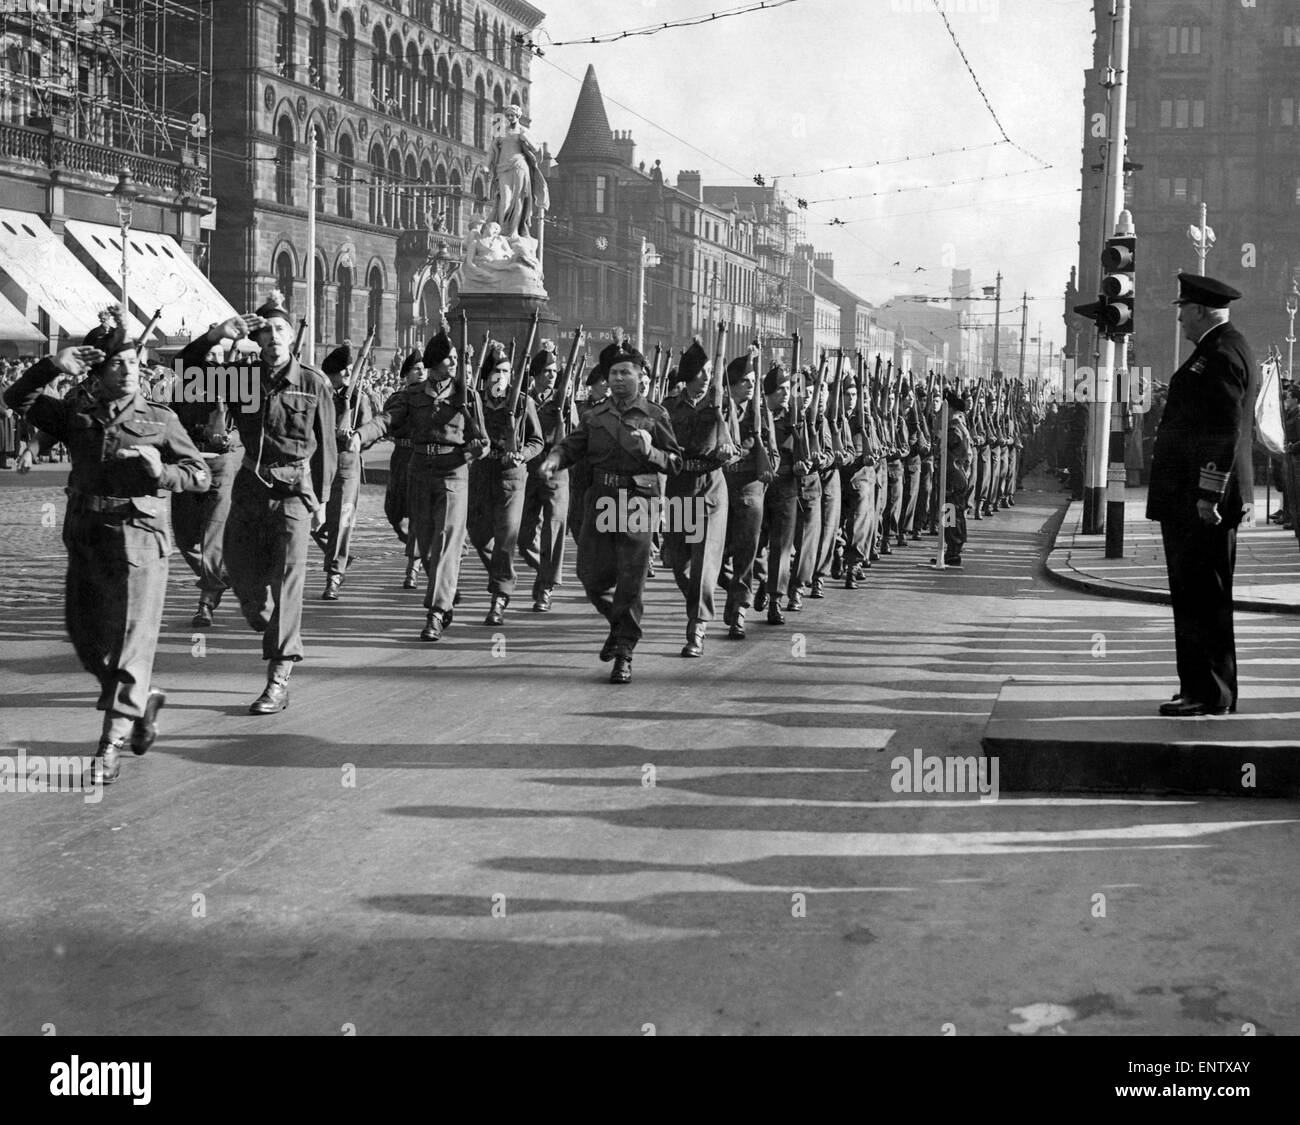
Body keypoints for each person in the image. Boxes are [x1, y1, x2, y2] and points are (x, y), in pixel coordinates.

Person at [3, 320, 209, 783]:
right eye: (118, 363)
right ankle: (143, 700)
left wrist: (162, 473)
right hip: (87, 536)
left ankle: (109, 743)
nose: (130, 370)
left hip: (140, 541)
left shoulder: (160, 419)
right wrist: (51, 366)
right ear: (96, 373)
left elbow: (200, 476)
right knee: (88, 642)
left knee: (130, 647)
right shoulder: (78, 412)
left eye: (134, 362)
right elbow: (18, 400)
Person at [189, 293, 338, 713]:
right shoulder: (244, 380)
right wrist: (216, 336)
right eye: (267, 330)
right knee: (244, 581)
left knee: (289, 580)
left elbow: (326, 446)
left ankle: (278, 677)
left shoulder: (312, 383)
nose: (273, 337)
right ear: (257, 337)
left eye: (280, 330)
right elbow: (187, 377)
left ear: (292, 337)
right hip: (249, 493)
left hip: (293, 494)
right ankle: (264, 616)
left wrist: (323, 502)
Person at [540, 332, 682, 684]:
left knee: (631, 582)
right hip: (602, 500)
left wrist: (650, 451)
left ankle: (624, 652)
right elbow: (571, 446)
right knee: (592, 579)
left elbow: (676, 462)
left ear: (639, 376)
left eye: (625, 372)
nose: (618, 379)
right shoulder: (593, 416)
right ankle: (619, 627)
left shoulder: (654, 415)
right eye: (613, 373)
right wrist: (553, 459)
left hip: (638, 502)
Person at [1148, 273, 1258, 717]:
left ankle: (1211, 693)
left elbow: (1224, 431)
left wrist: (1208, 494)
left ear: (1198, 310)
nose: (1179, 319)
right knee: (1192, 596)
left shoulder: (1222, 354)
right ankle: (1196, 684)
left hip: (1202, 503)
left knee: (1204, 599)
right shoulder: (1216, 350)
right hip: (1191, 499)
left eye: (1182, 310)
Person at [349, 317, 488, 641]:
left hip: (454, 475)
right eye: (448, 358)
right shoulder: (412, 396)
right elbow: (386, 420)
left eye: (456, 358)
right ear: (434, 363)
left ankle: (436, 612)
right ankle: (446, 593)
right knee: (425, 548)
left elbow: (482, 438)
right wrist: (360, 434)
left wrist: (479, 449)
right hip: (420, 473)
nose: (454, 363)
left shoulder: (467, 397)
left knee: (445, 544)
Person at [662, 340, 737, 657]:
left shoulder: (719, 405)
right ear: (687, 375)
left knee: (705, 562)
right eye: (701, 372)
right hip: (681, 488)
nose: (706, 377)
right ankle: (729, 590)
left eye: (710, 371)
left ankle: (697, 629)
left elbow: (733, 450)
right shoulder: (668, 407)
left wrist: (726, 450)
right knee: (682, 566)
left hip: (710, 489)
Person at [171, 327, 244, 628]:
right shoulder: (182, 389)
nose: (212, 362)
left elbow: (248, 425)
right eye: (207, 356)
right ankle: (220, 576)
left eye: (217, 357)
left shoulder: (237, 387)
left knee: (212, 539)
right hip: (189, 466)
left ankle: (206, 603)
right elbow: (171, 425)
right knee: (185, 538)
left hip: (221, 468)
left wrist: (231, 440)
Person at [468, 339, 543, 626]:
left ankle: (499, 596)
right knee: (478, 534)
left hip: (512, 478)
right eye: (497, 370)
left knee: (505, 538)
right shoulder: (476, 402)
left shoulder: (523, 402)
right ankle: (503, 575)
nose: (502, 377)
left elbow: (537, 440)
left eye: (508, 371)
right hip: (482, 473)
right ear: (486, 376)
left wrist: (522, 455)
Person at [720, 350, 777, 638]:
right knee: (711, 560)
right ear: (730, 384)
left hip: (749, 488)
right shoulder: (718, 411)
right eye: (744, 380)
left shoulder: (761, 414)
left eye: (753, 380)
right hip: (718, 488)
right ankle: (733, 590)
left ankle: (739, 610)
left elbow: (774, 457)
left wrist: (761, 462)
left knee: (746, 553)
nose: (751, 385)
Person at [317, 344, 375, 601]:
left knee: (342, 522)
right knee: (312, 522)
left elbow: (369, 432)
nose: (349, 373)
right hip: (317, 464)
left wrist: (355, 437)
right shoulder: (319, 395)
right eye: (345, 370)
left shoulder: (358, 398)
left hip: (345, 465)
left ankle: (335, 575)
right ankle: (340, 556)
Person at [519, 341, 570, 612]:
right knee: (525, 536)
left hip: (556, 472)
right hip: (529, 471)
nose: (552, 375)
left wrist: (563, 418)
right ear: (536, 374)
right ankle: (545, 571)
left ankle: (546, 588)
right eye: (547, 371)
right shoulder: (522, 399)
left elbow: (571, 439)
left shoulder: (564, 401)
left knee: (553, 529)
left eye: (554, 370)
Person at [384, 351, 426, 588]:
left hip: (418, 457)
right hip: (400, 457)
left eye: (423, 368)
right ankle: (415, 543)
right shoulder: (396, 398)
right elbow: (386, 422)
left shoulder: (428, 398)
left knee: (418, 514)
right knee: (393, 511)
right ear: (405, 374)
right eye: (416, 369)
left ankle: (413, 566)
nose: (421, 372)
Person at [489, 103, 549, 241]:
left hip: (520, 167)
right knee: (505, 199)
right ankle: (502, 229)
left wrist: (526, 139)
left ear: (518, 116)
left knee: (518, 200)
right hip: (503, 167)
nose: (510, 118)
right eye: (508, 115)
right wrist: (487, 165)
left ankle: (514, 231)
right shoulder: (501, 131)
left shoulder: (523, 130)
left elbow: (535, 149)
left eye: (512, 115)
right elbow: (493, 149)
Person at [941, 387, 972, 567]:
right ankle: (951, 548)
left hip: (953, 477)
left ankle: (953, 549)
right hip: (956, 476)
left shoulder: (953, 429)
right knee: (952, 512)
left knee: (951, 513)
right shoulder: (959, 427)